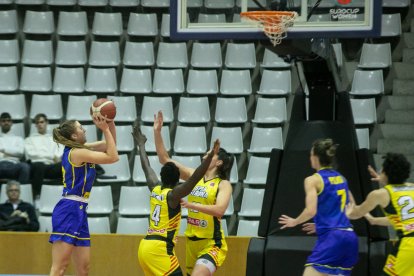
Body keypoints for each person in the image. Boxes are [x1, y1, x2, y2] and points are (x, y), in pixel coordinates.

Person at [153, 111, 234, 276]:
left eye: (210, 154)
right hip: (191, 242)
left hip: (212, 243)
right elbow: (164, 159)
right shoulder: (193, 175)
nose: (204, 155)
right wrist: (157, 132)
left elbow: (219, 210)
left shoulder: (223, 184)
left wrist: (192, 205)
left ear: (218, 162)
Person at [133, 124, 220, 276]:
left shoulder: (155, 187)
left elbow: (146, 166)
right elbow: (194, 179)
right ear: (176, 181)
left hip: (144, 247)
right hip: (159, 249)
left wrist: (141, 144)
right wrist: (210, 158)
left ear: (162, 177)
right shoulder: (173, 195)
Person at [48, 115, 118, 276]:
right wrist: (105, 130)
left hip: (80, 209)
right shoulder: (77, 152)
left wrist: (111, 123)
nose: (84, 129)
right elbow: (113, 157)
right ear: (74, 136)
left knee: (83, 269)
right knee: (59, 267)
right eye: (80, 128)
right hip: (68, 209)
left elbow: (110, 145)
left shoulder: (83, 148)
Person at [278, 138, 358, 276]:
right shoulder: (342, 178)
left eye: (310, 154)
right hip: (350, 237)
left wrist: (294, 222)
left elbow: (311, 211)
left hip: (332, 239)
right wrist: (324, 224)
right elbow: (353, 208)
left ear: (315, 157)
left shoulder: (313, 180)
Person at [346, 153, 414, 276]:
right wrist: (374, 220)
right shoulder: (412, 187)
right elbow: (402, 219)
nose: (380, 170)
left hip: (409, 246)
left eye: (382, 169)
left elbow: (355, 214)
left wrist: (348, 211)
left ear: (386, 173)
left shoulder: (378, 194)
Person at [25, 114, 63, 197]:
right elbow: (31, 155)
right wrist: (52, 157)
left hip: (51, 167)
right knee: (39, 165)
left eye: (42, 122)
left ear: (46, 123)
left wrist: (54, 157)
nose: (39, 124)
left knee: (67, 165)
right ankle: (37, 196)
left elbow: (60, 152)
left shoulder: (54, 139)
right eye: (37, 122)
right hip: (36, 167)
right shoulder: (29, 139)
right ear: (35, 125)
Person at [0, 112, 30, 184]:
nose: (6, 123)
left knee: (25, 167)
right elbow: (16, 152)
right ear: (0, 123)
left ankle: (21, 193)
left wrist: (3, 150)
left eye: (8, 121)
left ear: (11, 123)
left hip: (14, 165)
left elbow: (20, 153)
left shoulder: (18, 139)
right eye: (3, 121)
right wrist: (12, 152)